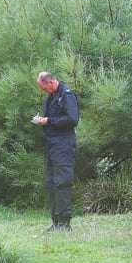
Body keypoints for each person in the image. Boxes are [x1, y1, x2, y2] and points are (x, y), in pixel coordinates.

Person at [33, 72, 79, 231]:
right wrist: (42, 120)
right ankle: (56, 222)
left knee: (62, 183)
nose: (44, 91)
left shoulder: (67, 95)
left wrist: (49, 121)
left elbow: (73, 119)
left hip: (64, 147)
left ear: (51, 82)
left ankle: (65, 224)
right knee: (51, 184)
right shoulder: (51, 97)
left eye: (44, 88)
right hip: (51, 147)